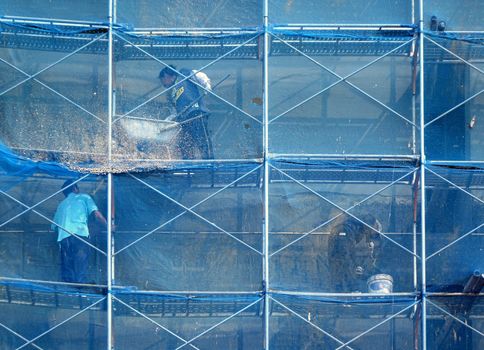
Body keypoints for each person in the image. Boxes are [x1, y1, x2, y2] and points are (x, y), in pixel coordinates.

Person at [51, 179, 107, 284]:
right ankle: (81, 284)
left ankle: (69, 288)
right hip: (79, 234)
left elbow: (54, 227)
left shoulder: (61, 205)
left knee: (68, 264)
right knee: (81, 261)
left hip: (63, 237)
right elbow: (97, 215)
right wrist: (108, 226)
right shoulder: (84, 197)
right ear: (75, 188)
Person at [159, 65, 214, 159]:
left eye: (163, 79)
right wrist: (169, 120)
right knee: (185, 144)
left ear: (168, 76)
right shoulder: (170, 93)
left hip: (195, 113)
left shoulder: (183, 74)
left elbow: (198, 75)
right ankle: (188, 167)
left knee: (202, 141)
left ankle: (209, 163)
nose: (163, 83)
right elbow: (174, 111)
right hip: (184, 120)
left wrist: (206, 84)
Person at [327, 214, 383, 292]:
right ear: (369, 226)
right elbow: (344, 261)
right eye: (373, 233)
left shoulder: (353, 230)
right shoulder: (345, 232)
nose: (369, 237)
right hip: (342, 279)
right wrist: (354, 287)